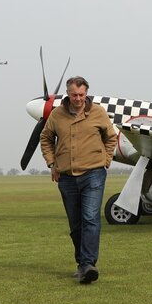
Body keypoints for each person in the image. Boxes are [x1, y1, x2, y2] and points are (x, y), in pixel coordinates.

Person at [40, 76, 117, 284]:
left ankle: (88, 265)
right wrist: (51, 163)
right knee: (75, 224)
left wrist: (106, 160)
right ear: (68, 94)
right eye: (74, 95)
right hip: (66, 177)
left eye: (82, 95)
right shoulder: (56, 115)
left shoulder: (99, 112)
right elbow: (45, 139)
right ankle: (82, 263)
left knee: (91, 218)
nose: (78, 99)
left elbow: (111, 138)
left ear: (86, 93)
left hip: (94, 173)